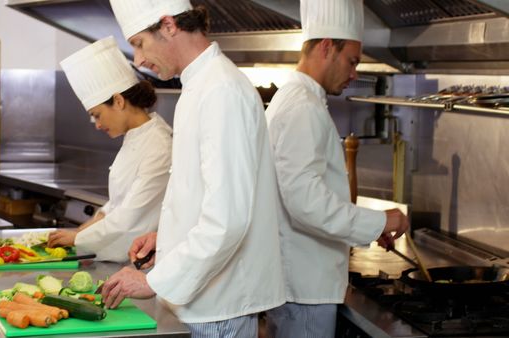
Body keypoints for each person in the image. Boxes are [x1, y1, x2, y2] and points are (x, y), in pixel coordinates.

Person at [98, 0, 285, 336]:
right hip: (203, 301)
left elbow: (227, 220)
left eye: (139, 44)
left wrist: (152, 280)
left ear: (169, 25)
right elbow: (205, 195)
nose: (138, 60)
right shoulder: (200, 85)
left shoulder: (221, 91)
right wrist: (167, 238)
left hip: (220, 305)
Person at [263, 0, 410, 337]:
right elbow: (305, 202)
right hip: (303, 291)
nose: (355, 73)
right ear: (327, 47)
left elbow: (308, 192)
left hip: (301, 286)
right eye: (352, 61)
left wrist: (368, 228)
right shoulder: (301, 107)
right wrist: (379, 220)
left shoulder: (301, 100)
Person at [47, 36, 172, 263]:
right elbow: (113, 206)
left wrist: (77, 239)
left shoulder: (159, 145)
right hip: (118, 259)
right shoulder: (135, 136)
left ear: (118, 101)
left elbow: (128, 216)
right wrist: (78, 233)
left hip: (141, 264)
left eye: (97, 115)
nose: (97, 125)